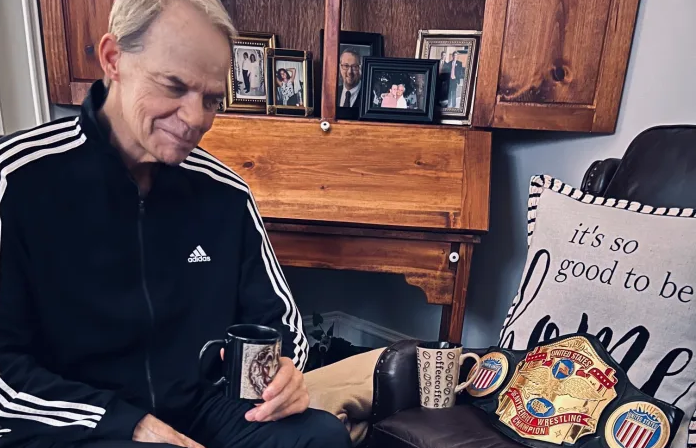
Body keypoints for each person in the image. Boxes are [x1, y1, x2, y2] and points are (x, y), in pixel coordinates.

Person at [0, 1, 351, 448]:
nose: (196, 119)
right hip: (75, 421)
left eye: (211, 100)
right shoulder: (17, 180)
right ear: (113, 59)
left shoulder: (227, 193)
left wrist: (284, 373)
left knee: (320, 436)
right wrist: (125, 422)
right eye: (174, 86)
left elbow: (279, 321)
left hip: (200, 406)